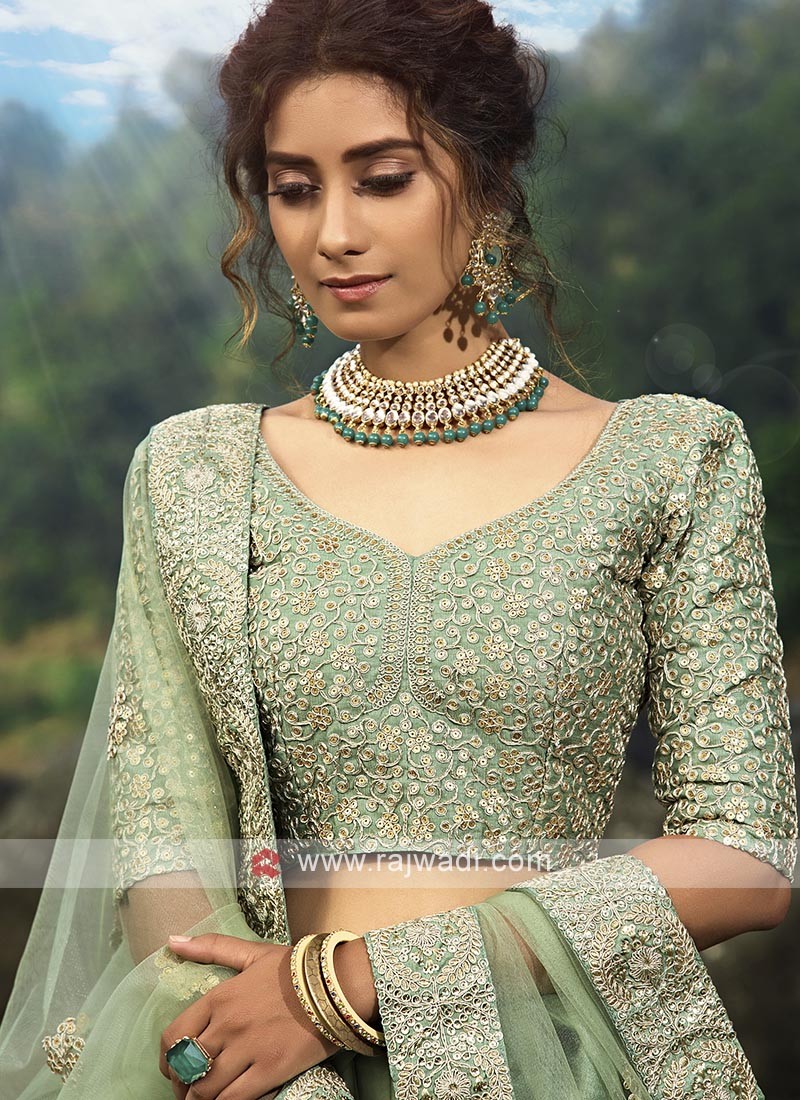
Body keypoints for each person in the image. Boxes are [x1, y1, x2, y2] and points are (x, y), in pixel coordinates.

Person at [0, 1, 796, 1097]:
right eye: (292, 188)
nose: (331, 232)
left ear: (485, 178)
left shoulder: (667, 460)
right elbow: (161, 840)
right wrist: (281, 1057)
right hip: (266, 1073)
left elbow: (747, 857)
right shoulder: (197, 475)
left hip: (562, 1060)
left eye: (381, 179)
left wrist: (344, 985)